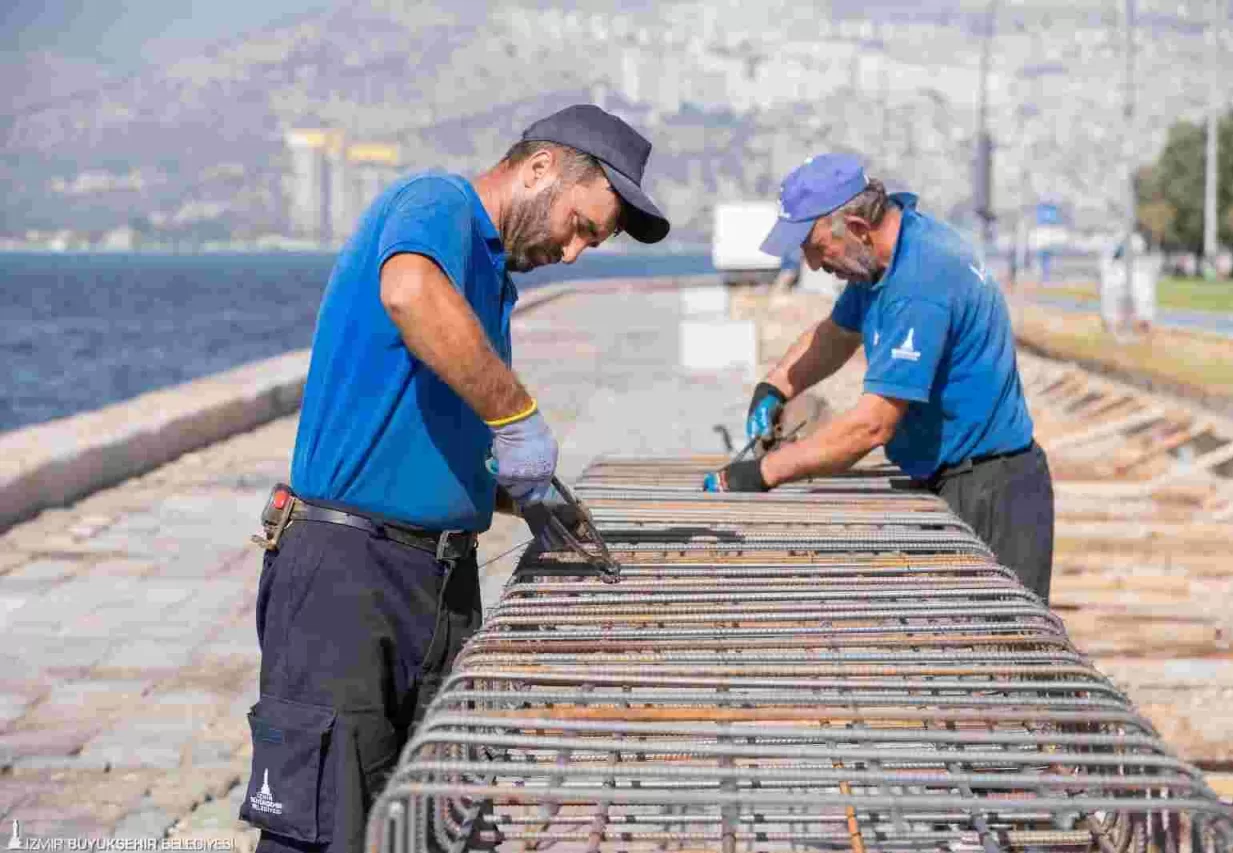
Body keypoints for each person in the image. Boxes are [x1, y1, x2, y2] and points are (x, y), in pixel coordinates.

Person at [242, 104, 669, 852]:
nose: (574, 253)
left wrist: (520, 495)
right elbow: (408, 293)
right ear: (539, 169)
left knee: (432, 824)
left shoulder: (493, 281)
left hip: (438, 581)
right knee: (320, 827)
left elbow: (427, 424)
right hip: (350, 580)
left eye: (591, 243)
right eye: (579, 225)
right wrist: (517, 415)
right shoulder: (438, 205)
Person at [704, 153, 1053, 601]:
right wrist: (775, 386)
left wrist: (764, 472)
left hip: (990, 492)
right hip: (946, 475)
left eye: (813, 246)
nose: (810, 264)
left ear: (855, 228)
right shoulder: (883, 261)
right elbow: (835, 335)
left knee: (997, 654)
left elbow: (873, 424)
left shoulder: (920, 282)